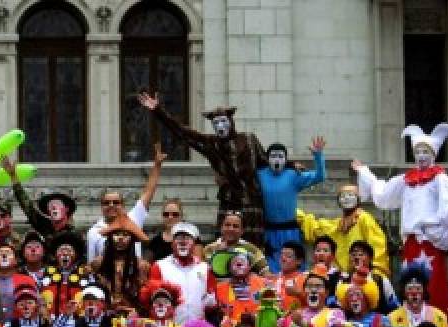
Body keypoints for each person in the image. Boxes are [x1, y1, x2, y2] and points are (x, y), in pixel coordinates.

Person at [354, 123, 448, 310]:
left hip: (430, 242)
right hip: (410, 244)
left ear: (433, 155)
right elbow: (384, 194)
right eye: (418, 152)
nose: (422, 156)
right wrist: (365, 172)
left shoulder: (440, 179)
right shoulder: (405, 180)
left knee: (433, 285)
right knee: (410, 286)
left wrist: (438, 229)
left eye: (426, 152)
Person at [139, 93, 268, 243]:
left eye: (223, 121)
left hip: (252, 203)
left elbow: (265, 162)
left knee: (254, 246)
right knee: (225, 246)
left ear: (230, 121)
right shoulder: (211, 144)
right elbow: (183, 132)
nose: (220, 126)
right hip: (229, 201)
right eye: (216, 123)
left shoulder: (249, 140)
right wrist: (158, 111)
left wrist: (291, 166)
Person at [256, 138, 326, 271]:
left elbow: (320, 176)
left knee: (294, 268)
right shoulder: (259, 175)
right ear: (267, 158)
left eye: (280, 156)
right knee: (269, 270)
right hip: (268, 233)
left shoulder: (293, 175)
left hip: (290, 232)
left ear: (285, 159)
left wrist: (318, 155)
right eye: (273, 156)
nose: (277, 159)